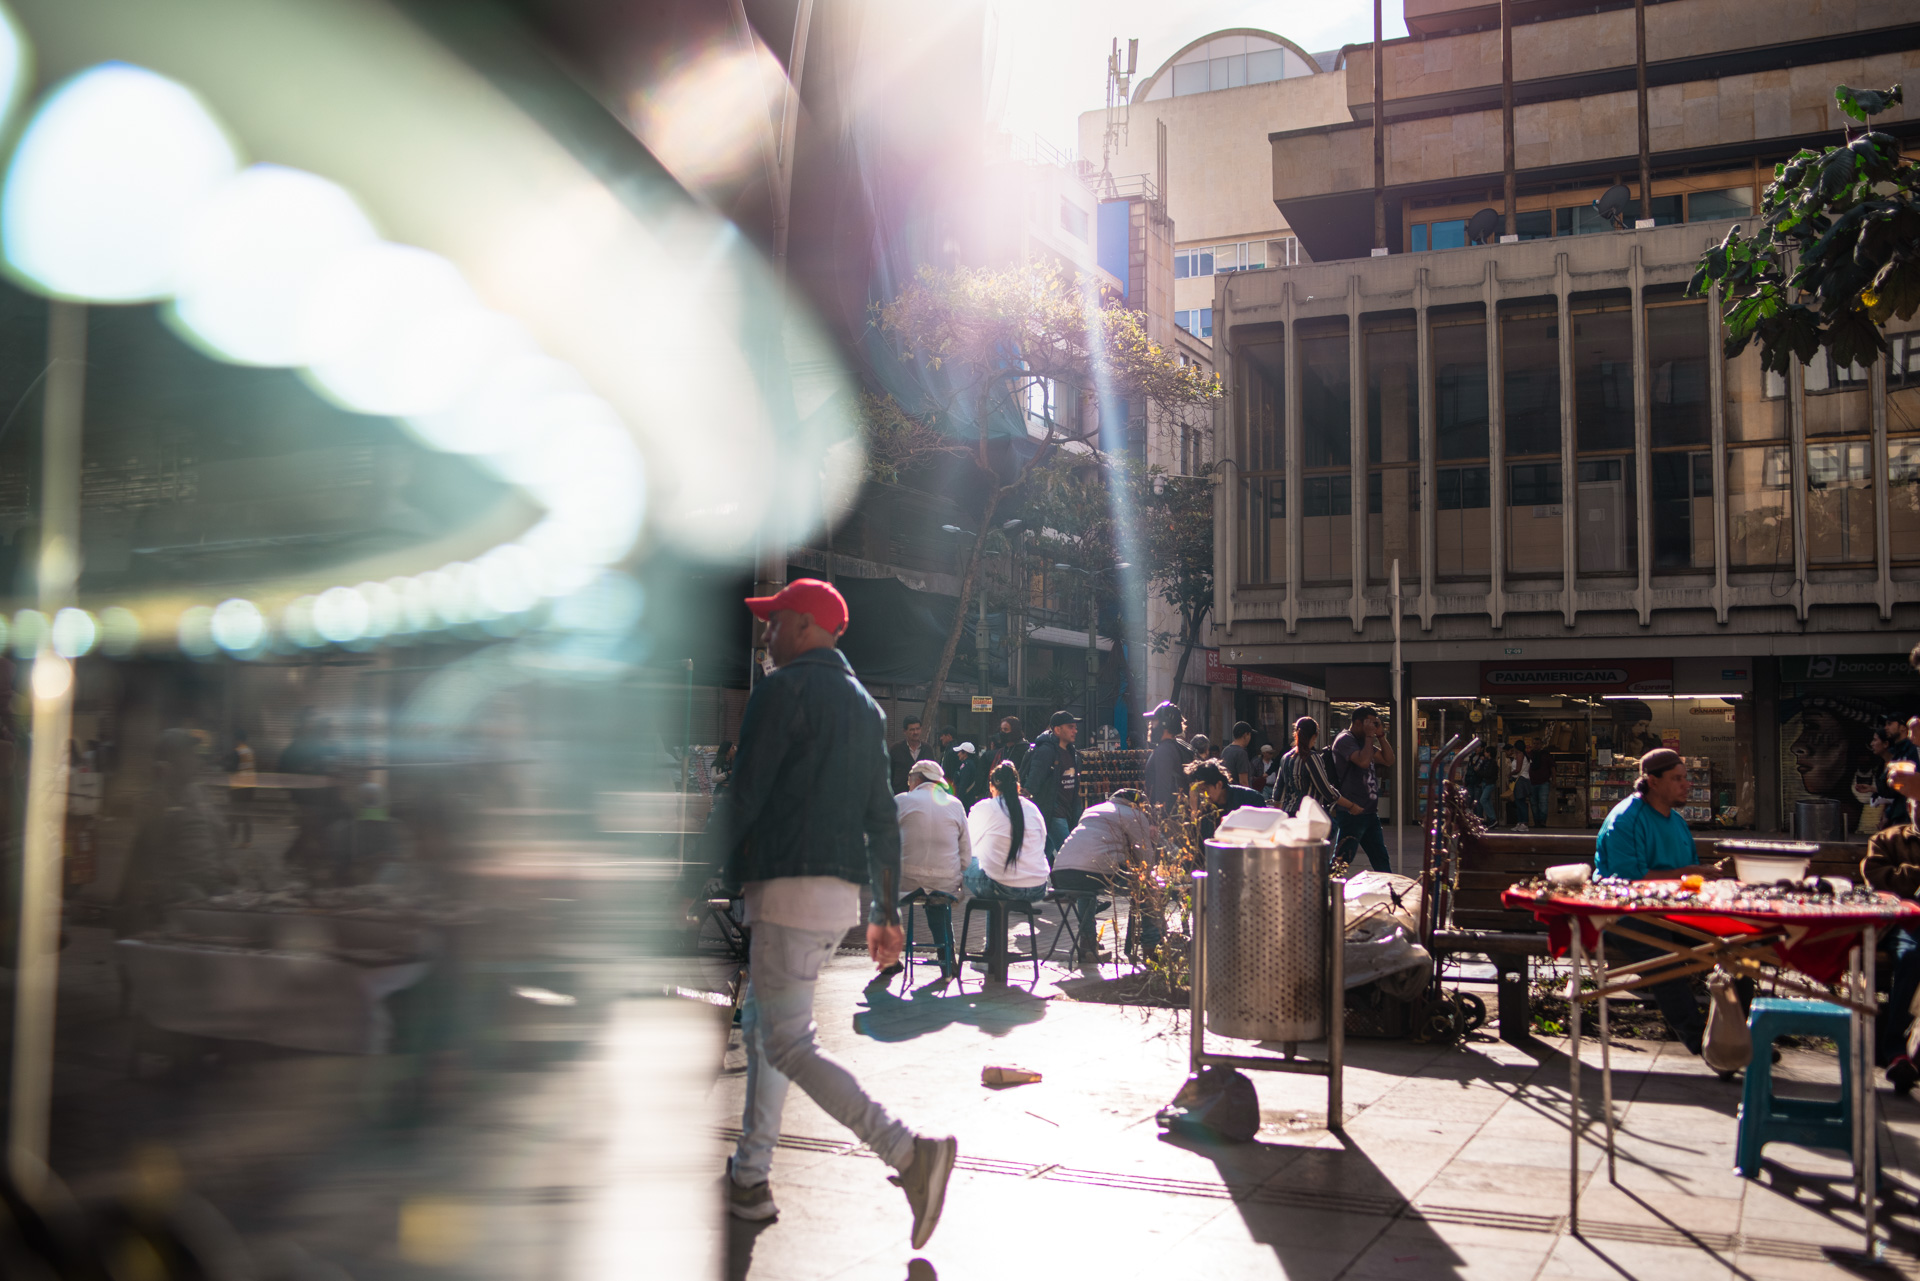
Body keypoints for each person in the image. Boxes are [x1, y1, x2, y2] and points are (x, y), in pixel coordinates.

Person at [702, 578, 955, 1243]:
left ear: (808, 626)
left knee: (786, 1039)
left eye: (776, 621)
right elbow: (881, 818)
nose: (766, 634)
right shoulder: (867, 708)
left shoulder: (781, 692)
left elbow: (744, 794)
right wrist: (883, 910)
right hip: (835, 895)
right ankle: (751, 1176)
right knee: (766, 1027)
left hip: (785, 884)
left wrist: (691, 875)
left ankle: (907, 1150)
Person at [1592, 749, 1723, 1054]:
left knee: (1739, 944)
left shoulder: (1677, 822)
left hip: (1671, 911)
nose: (1686, 784)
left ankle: (1738, 1034)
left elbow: (1688, 877)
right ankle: (1703, 1042)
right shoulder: (1626, 819)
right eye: (1677, 778)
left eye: (1685, 777)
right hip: (1624, 913)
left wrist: (1704, 879)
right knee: (1664, 954)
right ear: (1652, 781)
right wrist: (1687, 873)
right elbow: (1628, 882)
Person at [1053, 788, 1161, 963]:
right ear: (1136, 804)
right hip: (1098, 872)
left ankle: (1087, 943)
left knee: (1087, 889)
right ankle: (1151, 948)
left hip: (1061, 873)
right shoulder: (1134, 814)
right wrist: (1149, 875)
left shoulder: (1091, 811)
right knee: (1148, 887)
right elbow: (1145, 857)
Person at [889, 758, 969, 982]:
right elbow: (966, 852)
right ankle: (946, 959)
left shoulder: (901, 801)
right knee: (938, 901)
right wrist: (956, 874)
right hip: (946, 882)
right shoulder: (955, 804)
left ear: (916, 779)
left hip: (907, 881)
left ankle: (889, 957)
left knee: (884, 898)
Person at [964, 761, 1050, 904]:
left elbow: (967, 845)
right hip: (1038, 887)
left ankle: (992, 927)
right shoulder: (1032, 808)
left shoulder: (985, 807)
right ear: (1017, 787)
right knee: (992, 868)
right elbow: (1042, 842)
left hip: (1002, 887)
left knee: (967, 860)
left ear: (991, 787)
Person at [1329, 706, 1394, 872]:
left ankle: (1390, 892)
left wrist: (1381, 736)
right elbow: (1363, 761)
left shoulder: (1365, 740)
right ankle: (1328, 891)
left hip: (1370, 812)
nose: (1372, 727)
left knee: (1381, 858)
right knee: (1342, 859)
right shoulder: (1345, 739)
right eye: (1369, 723)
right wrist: (1369, 736)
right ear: (1358, 723)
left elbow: (1388, 760)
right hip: (1353, 812)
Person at [1021, 711, 1084, 857]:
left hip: (1064, 810)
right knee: (1070, 854)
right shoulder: (1045, 751)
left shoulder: (1071, 752)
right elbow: (1033, 781)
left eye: (1075, 727)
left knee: (1042, 855)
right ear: (1057, 729)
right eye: (1070, 727)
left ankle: (1038, 877)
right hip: (1052, 812)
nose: (1075, 730)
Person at [1183, 759, 1266, 841]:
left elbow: (1262, 835)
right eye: (1198, 791)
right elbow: (1197, 843)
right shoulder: (1202, 808)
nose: (1202, 795)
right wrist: (1194, 811)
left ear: (1219, 784)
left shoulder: (1251, 799)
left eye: (1205, 789)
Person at [1275, 716, 1340, 817]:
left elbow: (1278, 790)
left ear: (1295, 734)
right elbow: (1325, 789)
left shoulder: (1286, 757)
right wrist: (1350, 805)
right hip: (1308, 815)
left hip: (1288, 813)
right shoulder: (1312, 758)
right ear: (1315, 735)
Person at [1142, 701, 1192, 812]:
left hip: (1167, 820)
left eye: (1155, 720)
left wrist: (1156, 820)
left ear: (1165, 724)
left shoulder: (1164, 750)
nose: (1151, 725)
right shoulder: (1179, 746)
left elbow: (1162, 787)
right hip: (1178, 815)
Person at [1875, 716, 1920, 828]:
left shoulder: (1911, 751)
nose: (1911, 736)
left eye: (1915, 731)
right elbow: (1892, 789)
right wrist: (1888, 813)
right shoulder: (1899, 752)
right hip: (1903, 815)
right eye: (1911, 731)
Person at [889, 716, 936, 796]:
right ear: (905, 731)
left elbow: (933, 772)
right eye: (912, 729)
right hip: (901, 796)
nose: (915, 732)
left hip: (924, 796)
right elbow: (889, 773)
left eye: (917, 729)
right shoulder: (895, 749)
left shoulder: (927, 749)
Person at [226, 729, 257, 848]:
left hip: (238, 788)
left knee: (234, 814)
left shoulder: (236, 752)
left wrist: (225, 764)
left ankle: (230, 840)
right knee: (247, 815)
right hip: (250, 788)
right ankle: (247, 841)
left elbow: (232, 769)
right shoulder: (250, 752)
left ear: (237, 739)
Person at [1528, 737, 1556, 830]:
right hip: (1531, 782)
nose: (1536, 745)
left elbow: (1552, 767)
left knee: (1543, 802)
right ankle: (1536, 821)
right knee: (1533, 803)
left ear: (1541, 745)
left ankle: (1543, 821)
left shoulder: (1546, 755)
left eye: (1538, 743)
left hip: (1544, 782)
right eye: (1534, 743)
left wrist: (1554, 780)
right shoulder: (1529, 755)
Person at [951, 741, 988, 808]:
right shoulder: (969, 764)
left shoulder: (967, 765)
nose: (958, 754)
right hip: (968, 799)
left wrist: (959, 800)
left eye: (959, 752)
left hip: (965, 801)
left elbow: (963, 784)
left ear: (965, 753)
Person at [1221, 721, 1255, 788]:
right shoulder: (1241, 753)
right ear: (1245, 735)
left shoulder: (1225, 750)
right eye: (1249, 735)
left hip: (1227, 793)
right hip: (1239, 795)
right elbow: (1243, 782)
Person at [1506, 740, 1531, 831]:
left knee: (1520, 802)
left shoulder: (1520, 755)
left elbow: (1518, 769)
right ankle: (1520, 822)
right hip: (1521, 780)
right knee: (1518, 802)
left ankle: (1524, 822)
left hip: (1520, 780)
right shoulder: (1521, 755)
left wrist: (1510, 774)